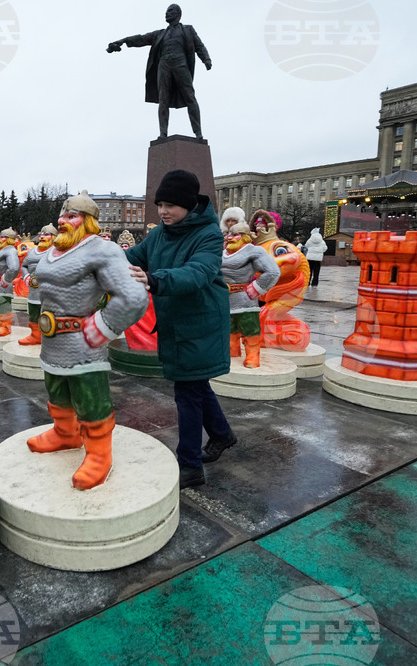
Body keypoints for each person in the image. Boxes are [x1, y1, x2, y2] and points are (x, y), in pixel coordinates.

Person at [28, 191, 148, 490]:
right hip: (52, 338)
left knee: (90, 396)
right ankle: (65, 433)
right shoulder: (56, 249)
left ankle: (98, 454)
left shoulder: (102, 250)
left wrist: (104, 327)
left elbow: (133, 296)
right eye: (62, 216)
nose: (62, 221)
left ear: (88, 221)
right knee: (56, 388)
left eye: (71, 216)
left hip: (83, 340)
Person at [124, 170, 236, 488]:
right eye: (160, 204)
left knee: (186, 392)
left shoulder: (209, 235)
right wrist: (100, 259)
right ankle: (223, 435)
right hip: (176, 322)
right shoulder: (160, 233)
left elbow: (197, 273)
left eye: (170, 205)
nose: (163, 211)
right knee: (196, 386)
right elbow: (132, 256)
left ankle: (190, 465)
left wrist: (156, 279)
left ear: (188, 205)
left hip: (201, 324)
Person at [107, 3, 212, 140]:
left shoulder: (188, 30)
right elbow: (141, 38)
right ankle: (163, 133)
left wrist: (206, 59)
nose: (166, 13)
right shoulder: (160, 34)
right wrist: (122, 41)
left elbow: (199, 46)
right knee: (163, 100)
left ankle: (198, 134)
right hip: (164, 66)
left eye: (170, 11)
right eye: (166, 11)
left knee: (190, 97)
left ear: (178, 14)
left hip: (181, 64)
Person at [221, 221, 280, 368]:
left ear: (245, 236)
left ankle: (253, 356)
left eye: (235, 234)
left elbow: (272, 271)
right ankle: (232, 352)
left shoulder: (254, 251)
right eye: (229, 234)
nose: (230, 237)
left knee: (250, 328)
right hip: (223, 298)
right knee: (228, 328)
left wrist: (257, 288)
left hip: (244, 299)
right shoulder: (222, 251)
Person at [18, 223, 57, 346]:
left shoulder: (57, 251)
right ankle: (35, 336)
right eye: (41, 234)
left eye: (47, 234)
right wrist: (26, 277)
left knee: (50, 315)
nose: (42, 237)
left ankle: (51, 338)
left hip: (49, 291)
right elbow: (24, 265)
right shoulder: (32, 251)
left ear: (54, 237)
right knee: (34, 314)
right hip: (33, 291)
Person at [0, 228, 21, 337]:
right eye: (0, 236)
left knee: (4, 304)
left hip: (3, 283)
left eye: (3, 237)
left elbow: (14, 268)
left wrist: (6, 279)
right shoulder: (1, 249)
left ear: (9, 239)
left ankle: (6, 326)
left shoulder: (10, 250)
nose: (0, 239)